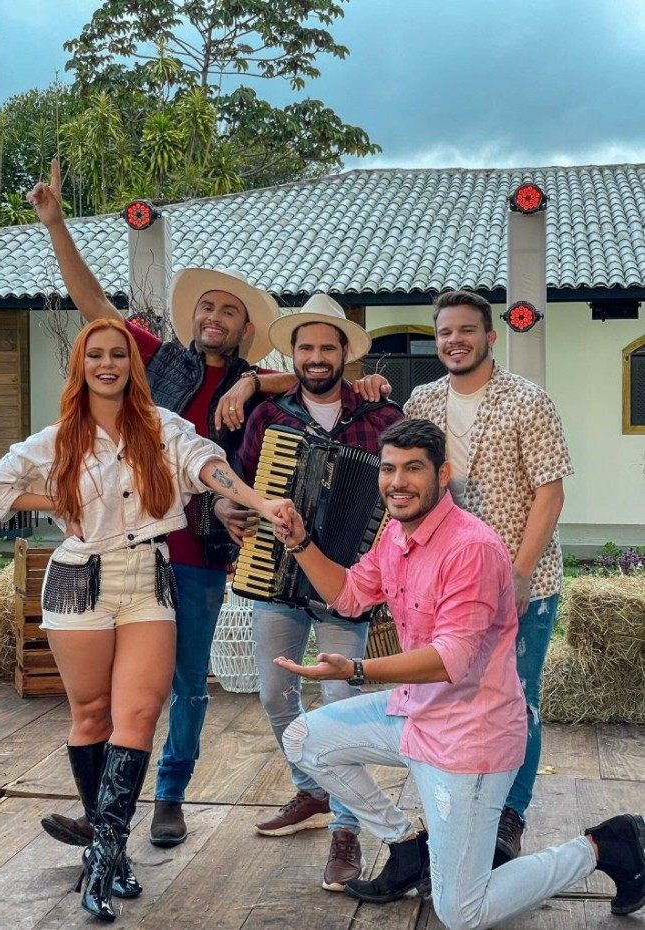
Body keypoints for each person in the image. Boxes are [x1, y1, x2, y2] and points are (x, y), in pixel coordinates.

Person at [0, 318, 289, 923]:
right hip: (77, 580)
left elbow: (207, 466)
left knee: (139, 713)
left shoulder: (164, 429)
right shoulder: (59, 437)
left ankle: (103, 854)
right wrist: (56, 499)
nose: (108, 363)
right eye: (96, 354)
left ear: (132, 365)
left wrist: (257, 501)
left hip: (147, 576)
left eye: (119, 353)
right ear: (82, 366)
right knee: (91, 714)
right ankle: (109, 851)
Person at [272, 418, 645, 928]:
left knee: (462, 911)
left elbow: (453, 659)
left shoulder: (471, 547)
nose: (396, 481)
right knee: (303, 738)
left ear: (442, 474)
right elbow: (349, 594)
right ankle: (406, 846)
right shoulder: (396, 537)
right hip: (414, 713)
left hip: (471, 737)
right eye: (388, 469)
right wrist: (300, 543)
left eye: (412, 469)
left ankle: (603, 846)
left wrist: (358, 668)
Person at [27, 160, 292, 849]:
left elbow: (322, 378)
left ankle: (170, 795)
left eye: (227, 311)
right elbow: (94, 313)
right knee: (114, 695)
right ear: (192, 317)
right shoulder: (153, 360)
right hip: (117, 553)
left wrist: (263, 382)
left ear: (242, 329)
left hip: (197, 553)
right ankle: (106, 813)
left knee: (186, 686)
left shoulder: (261, 386)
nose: (213, 316)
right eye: (206, 306)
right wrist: (57, 225)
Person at [224, 294, 402, 893]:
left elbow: (403, 495)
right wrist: (228, 505)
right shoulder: (268, 418)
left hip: (346, 587)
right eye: (306, 347)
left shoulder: (381, 417)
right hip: (274, 577)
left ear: (345, 354)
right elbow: (240, 489)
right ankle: (312, 790)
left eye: (329, 347)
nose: (317, 357)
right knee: (275, 694)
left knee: (338, 702)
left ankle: (347, 830)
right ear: (291, 354)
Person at [402, 289, 573, 865]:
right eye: (445, 332)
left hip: (520, 582)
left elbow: (551, 492)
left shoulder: (528, 401)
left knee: (515, 701)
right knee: (445, 699)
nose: (455, 341)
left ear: (490, 337)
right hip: (447, 585)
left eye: (467, 331)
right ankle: (451, 812)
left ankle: (509, 816)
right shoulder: (422, 401)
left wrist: (520, 573)